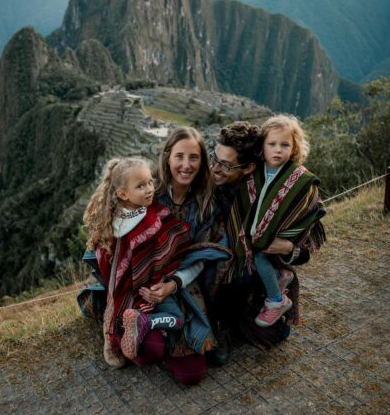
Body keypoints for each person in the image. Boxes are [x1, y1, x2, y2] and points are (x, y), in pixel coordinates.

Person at [209, 120, 325, 358]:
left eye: (226, 165)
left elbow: (312, 231)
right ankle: (218, 323)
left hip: (257, 269)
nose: (215, 169)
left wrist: (289, 247)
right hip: (219, 272)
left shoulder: (268, 184)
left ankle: (253, 310)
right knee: (223, 267)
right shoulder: (209, 187)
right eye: (214, 158)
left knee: (278, 335)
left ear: (248, 167)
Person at [137, 127, 232, 384]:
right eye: (179, 156)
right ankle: (141, 331)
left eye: (194, 157)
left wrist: (174, 283)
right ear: (167, 157)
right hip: (143, 278)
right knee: (149, 351)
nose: (186, 165)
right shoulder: (148, 194)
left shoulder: (205, 201)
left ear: (202, 161)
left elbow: (200, 255)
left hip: (183, 280)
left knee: (191, 375)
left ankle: (176, 335)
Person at [82, 157, 191, 369]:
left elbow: (175, 239)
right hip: (130, 293)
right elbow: (113, 272)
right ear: (123, 194)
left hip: (156, 288)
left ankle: (142, 323)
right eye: (141, 186)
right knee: (176, 319)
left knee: (176, 322)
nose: (149, 189)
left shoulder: (155, 212)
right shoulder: (113, 225)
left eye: (150, 182)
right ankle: (114, 332)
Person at [247, 115, 325, 327]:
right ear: (262, 146)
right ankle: (280, 275)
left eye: (284, 145)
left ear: (294, 148)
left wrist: (289, 244)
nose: (278, 149)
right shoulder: (254, 173)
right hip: (255, 236)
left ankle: (276, 300)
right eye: (272, 144)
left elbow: (306, 211)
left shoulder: (301, 179)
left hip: (276, 240)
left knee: (261, 257)